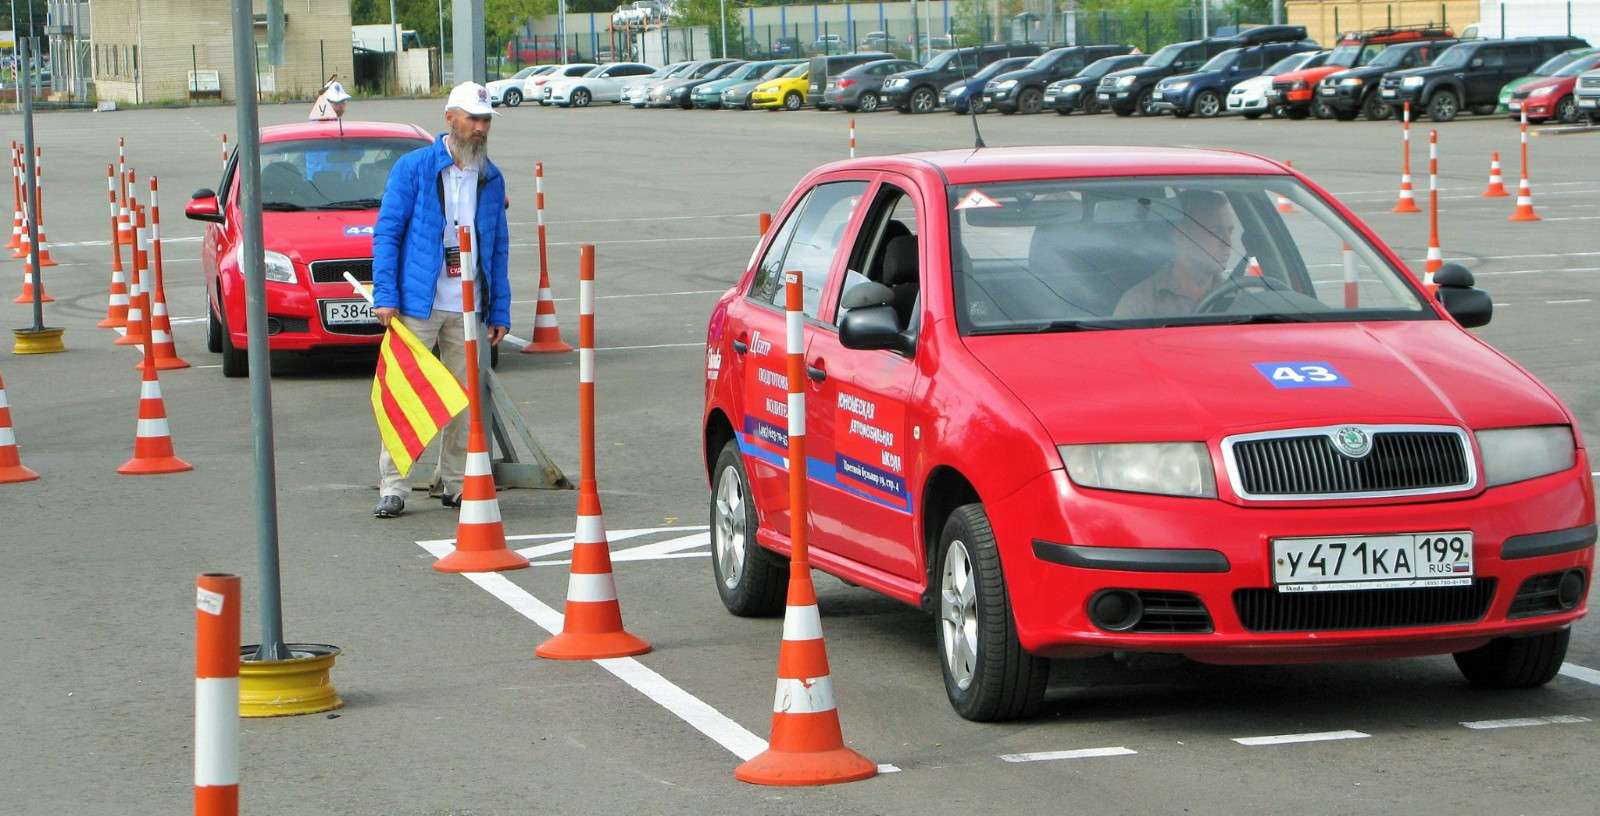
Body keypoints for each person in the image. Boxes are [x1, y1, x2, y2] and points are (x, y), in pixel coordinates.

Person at [370, 82, 510, 519]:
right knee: (404, 396)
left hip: (469, 307)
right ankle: (393, 486)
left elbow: (498, 247)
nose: (481, 128)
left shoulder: (491, 176)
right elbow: (388, 232)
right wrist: (386, 295)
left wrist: (499, 309)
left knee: (465, 400)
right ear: (450, 118)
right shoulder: (413, 168)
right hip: (418, 304)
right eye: (473, 119)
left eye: (486, 120)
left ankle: (455, 483)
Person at [1113, 189, 1237, 318]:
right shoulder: (1140, 304)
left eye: (1230, 231)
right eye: (1216, 231)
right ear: (1182, 237)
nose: (1228, 242)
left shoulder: (1238, 298)